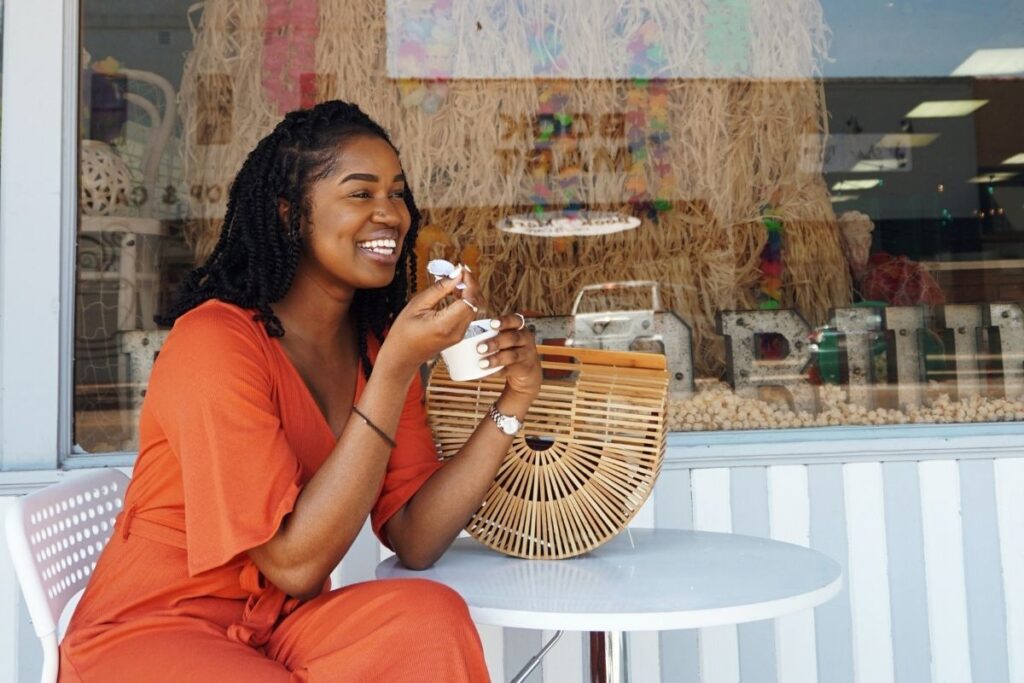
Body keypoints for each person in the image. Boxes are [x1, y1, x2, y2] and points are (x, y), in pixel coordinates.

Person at [59, 100, 542, 682]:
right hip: (156, 629)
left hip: (282, 628)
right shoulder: (215, 343)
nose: (389, 214)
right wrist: (393, 371)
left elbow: (415, 536)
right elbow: (291, 561)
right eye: (360, 194)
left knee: (429, 617)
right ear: (290, 215)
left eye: (397, 194)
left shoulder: (374, 346)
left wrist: (511, 402)